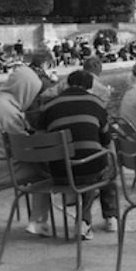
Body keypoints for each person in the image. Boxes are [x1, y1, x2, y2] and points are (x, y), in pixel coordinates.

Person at [0, 67, 52, 235]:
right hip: (0, 172)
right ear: (25, 89)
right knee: (47, 171)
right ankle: (38, 221)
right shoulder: (8, 111)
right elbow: (24, 149)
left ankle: (37, 219)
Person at [40, 70, 118, 239]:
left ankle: (85, 221)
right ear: (90, 88)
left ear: (67, 85)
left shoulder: (49, 106)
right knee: (104, 164)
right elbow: (105, 139)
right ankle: (108, 217)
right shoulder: (96, 104)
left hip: (57, 172)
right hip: (87, 170)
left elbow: (41, 135)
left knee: (82, 162)